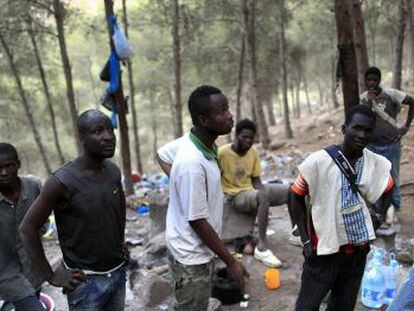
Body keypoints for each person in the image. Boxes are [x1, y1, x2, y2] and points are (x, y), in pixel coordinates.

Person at [20, 109, 127, 311]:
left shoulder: (113, 171)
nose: (108, 137)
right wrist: (50, 275)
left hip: (117, 273)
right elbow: (27, 228)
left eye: (110, 130)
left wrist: (120, 240)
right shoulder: (61, 181)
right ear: (82, 139)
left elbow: (118, 205)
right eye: (98, 131)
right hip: (85, 282)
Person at [291, 105, 394, 311]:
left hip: (357, 252)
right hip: (324, 251)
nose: (362, 135)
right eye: (357, 128)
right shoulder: (319, 162)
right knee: (307, 306)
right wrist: (305, 240)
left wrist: (380, 216)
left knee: (343, 306)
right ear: (344, 128)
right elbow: (295, 196)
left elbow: (388, 187)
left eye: (368, 130)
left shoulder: (376, 164)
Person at [166, 85, 249, 310]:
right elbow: (197, 221)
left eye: (228, 108)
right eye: (222, 111)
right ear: (203, 120)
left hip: (198, 251)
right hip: (190, 258)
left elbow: (162, 154)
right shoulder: (191, 163)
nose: (230, 115)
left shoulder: (202, 144)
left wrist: (182, 188)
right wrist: (231, 261)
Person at [218, 118, 290, 267]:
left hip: (251, 191)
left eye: (251, 138)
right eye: (244, 137)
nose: (248, 141)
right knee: (262, 195)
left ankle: (299, 234)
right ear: (236, 135)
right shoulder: (223, 153)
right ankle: (262, 245)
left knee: (292, 190)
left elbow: (256, 179)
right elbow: (214, 179)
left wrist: (263, 196)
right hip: (234, 197)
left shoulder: (253, 152)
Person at [360, 66, 414, 218]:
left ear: (379, 81)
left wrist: (406, 126)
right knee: (374, 178)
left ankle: (394, 209)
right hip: (371, 146)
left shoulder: (390, 94)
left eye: (374, 80)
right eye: (369, 79)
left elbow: (411, 101)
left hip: (391, 145)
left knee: (392, 177)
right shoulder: (363, 98)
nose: (371, 82)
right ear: (365, 81)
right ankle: (378, 211)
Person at [0, 143, 45, 310]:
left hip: (33, 268)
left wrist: (32, 238)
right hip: (6, 274)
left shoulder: (33, 186)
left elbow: (44, 219)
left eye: (8, 166)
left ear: (18, 164)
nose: (3, 173)